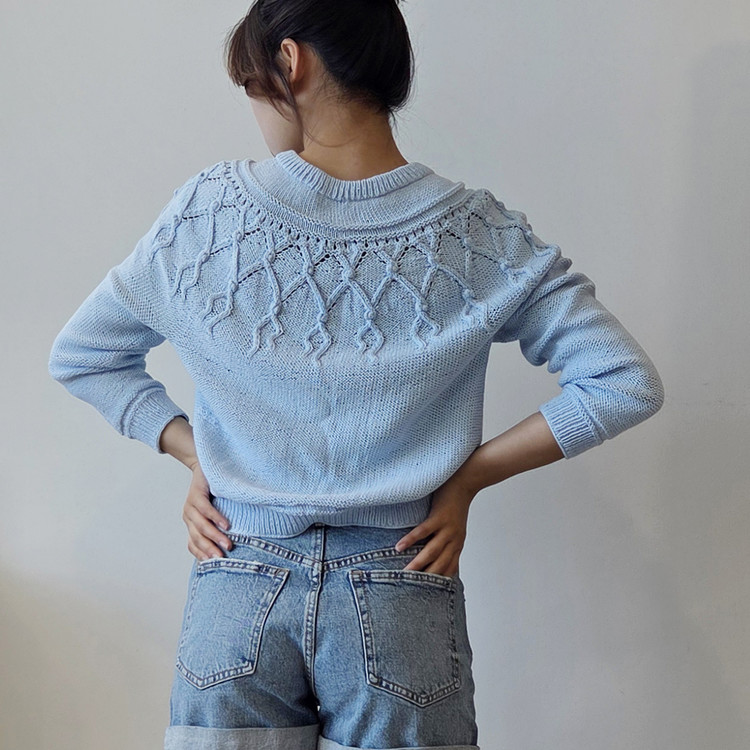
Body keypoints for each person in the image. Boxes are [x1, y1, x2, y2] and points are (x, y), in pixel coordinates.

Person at [47, 1, 665, 748]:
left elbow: (83, 356)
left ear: (290, 61)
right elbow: (622, 383)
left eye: (251, 84)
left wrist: (194, 451)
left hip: (236, 578)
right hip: (402, 581)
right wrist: (465, 480)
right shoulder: (478, 233)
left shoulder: (208, 217)